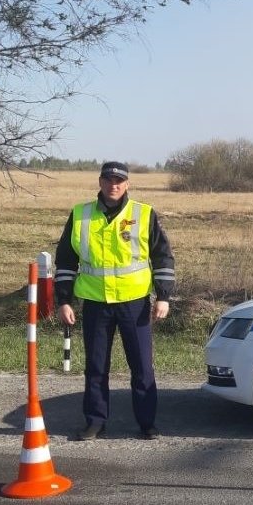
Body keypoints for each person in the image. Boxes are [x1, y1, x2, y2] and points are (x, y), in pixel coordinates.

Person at [54, 161, 175, 441]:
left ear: (127, 184)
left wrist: (164, 296)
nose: (114, 185)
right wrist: (64, 301)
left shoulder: (143, 214)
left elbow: (163, 257)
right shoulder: (80, 215)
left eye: (119, 180)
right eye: (108, 179)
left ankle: (147, 423)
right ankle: (95, 421)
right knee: (96, 367)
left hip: (135, 303)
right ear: (100, 182)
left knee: (142, 367)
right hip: (96, 302)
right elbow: (65, 261)